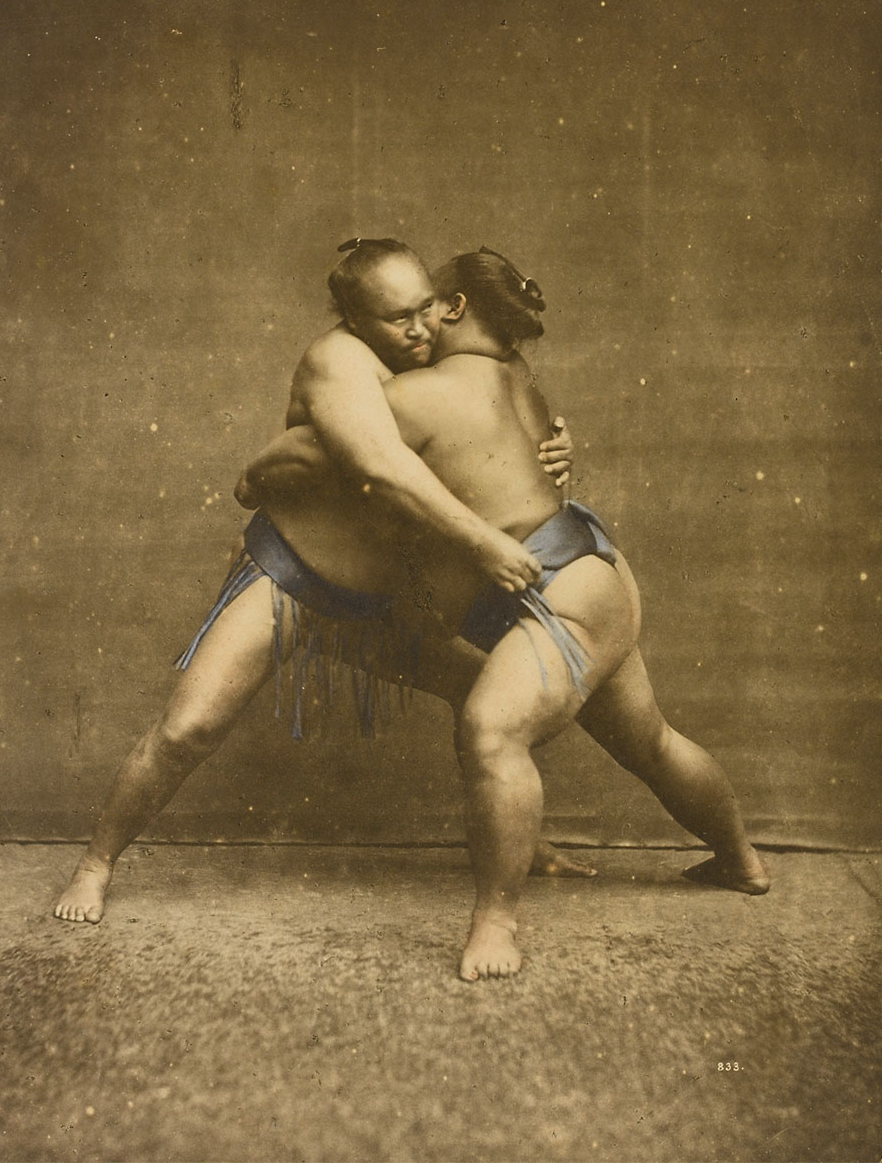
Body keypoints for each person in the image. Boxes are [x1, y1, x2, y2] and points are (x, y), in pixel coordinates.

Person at [246, 247, 770, 982]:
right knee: (647, 741)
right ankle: (740, 860)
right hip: (590, 575)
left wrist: (249, 479)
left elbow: (309, 456)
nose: (418, 323)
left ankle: (495, 925)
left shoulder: (417, 397)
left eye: (428, 305)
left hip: (554, 594)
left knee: (489, 731)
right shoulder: (520, 381)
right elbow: (539, 450)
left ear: (455, 307)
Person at [54, 240, 586, 927]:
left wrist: (559, 450)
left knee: (488, 697)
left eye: (426, 307)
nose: (421, 330)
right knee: (190, 728)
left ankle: (519, 841)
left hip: (382, 601)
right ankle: (94, 864)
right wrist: (482, 543)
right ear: (354, 322)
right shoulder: (340, 362)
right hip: (294, 579)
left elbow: (505, 430)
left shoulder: (442, 357)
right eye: (398, 319)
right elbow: (379, 466)